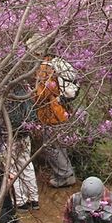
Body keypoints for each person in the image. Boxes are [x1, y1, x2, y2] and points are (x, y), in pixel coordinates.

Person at [34, 54, 78, 188]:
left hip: (52, 114)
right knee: (59, 145)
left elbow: (42, 94)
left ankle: (64, 175)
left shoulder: (45, 67)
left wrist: (32, 95)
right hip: (61, 112)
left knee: (51, 145)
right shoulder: (56, 62)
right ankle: (66, 174)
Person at [7, 83, 40, 211]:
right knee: (26, 166)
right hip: (25, 136)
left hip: (9, 136)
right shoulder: (26, 92)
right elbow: (33, 115)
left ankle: (21, 202)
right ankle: (34, 199)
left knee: (11, 168)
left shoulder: (7, 95)